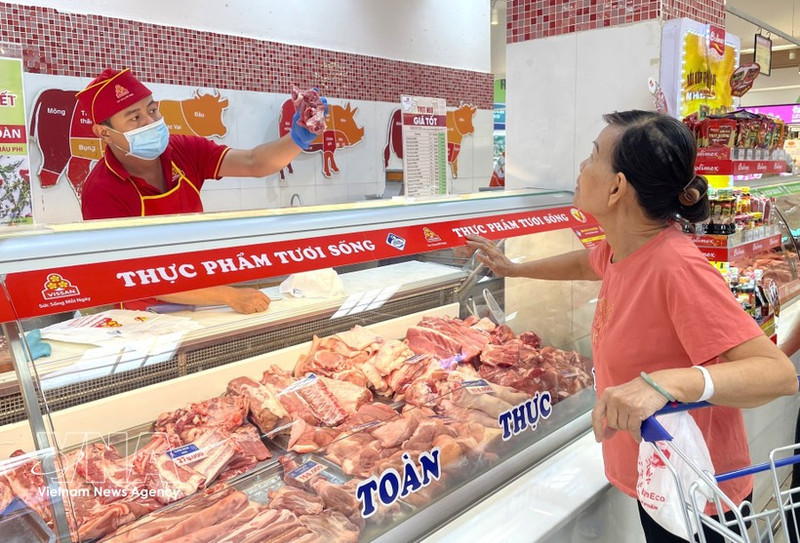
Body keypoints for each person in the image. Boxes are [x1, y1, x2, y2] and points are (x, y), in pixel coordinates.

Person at [466, 110, 798, 543]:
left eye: (593, 155)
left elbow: (778, 374)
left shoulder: (676, 266)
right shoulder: (625, 248)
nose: (582, 167)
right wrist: (515, 267)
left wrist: (665, 383)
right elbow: (586, 262)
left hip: (699, 498)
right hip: (662, 479)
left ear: (617, 186)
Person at [75, 68, 326, 314]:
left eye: (152, 110)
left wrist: (297, 138)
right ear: (104, 133)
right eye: (135, 118)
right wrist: (228, 295)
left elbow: (253, 162)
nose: (150, 122)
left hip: (199, 299)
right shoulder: (102, 189)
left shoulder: (181, 151)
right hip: (141, 315)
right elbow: (132, 274)